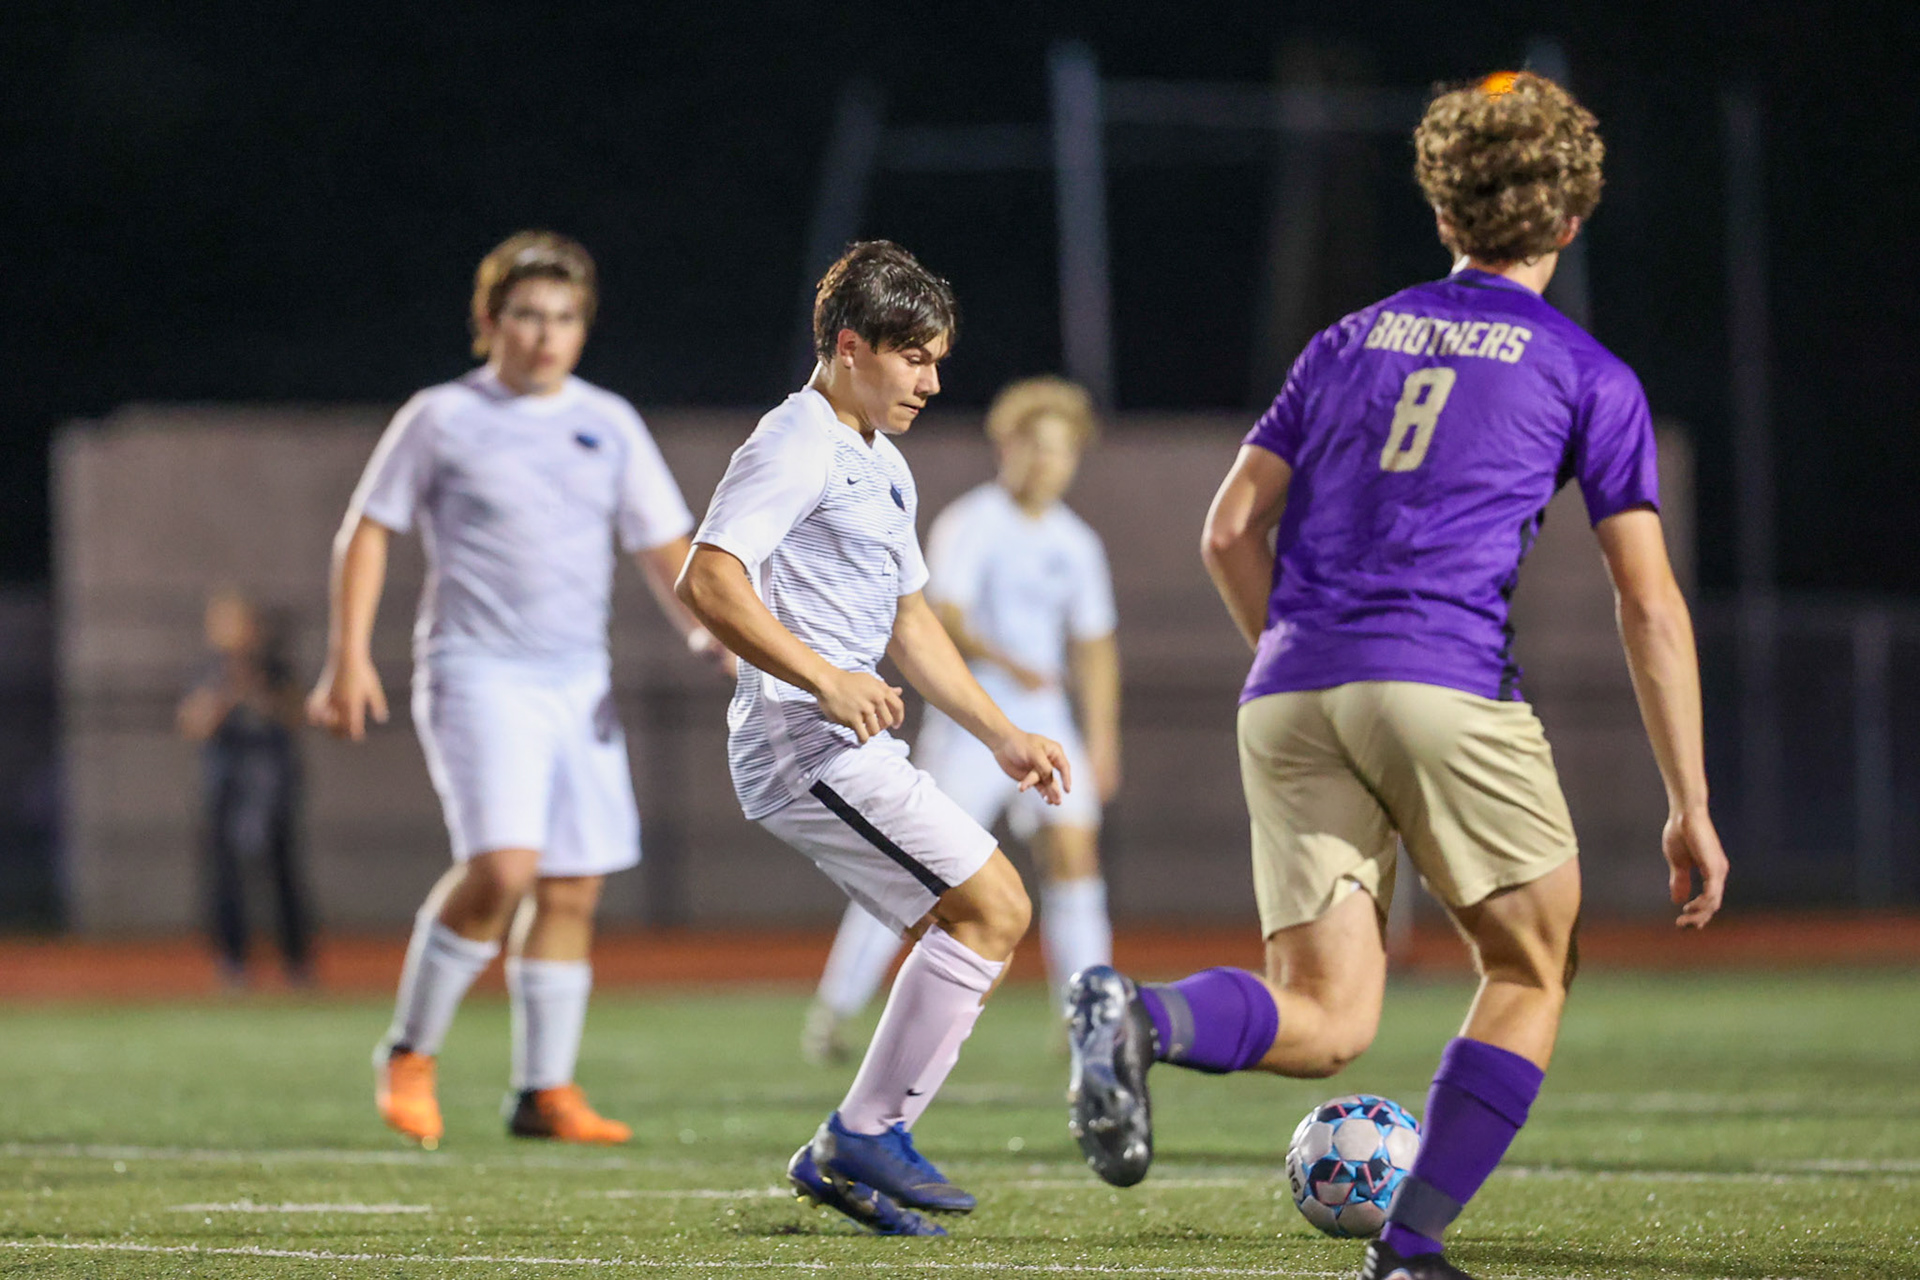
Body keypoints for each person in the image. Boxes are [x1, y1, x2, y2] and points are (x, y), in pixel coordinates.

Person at [1063, 72, 1729, 1280]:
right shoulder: (1589, 373)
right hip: (1443, 678)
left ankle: (1144, 1016)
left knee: (1327, 1021)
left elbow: (1226, 530)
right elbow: (1648, 598)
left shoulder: (1344, 340)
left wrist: (1301, 652)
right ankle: (1409, 1248)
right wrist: (1687, 797)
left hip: (1288, 682)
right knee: (1530, 962)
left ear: (1443, 213)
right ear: (1571, 221)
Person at [676, 241, 1071, 1237]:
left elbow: (911, 622)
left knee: (982, 912)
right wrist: (823, 673)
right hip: (798, 742)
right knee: (993, 905)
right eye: (915, 358)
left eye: (937, 359)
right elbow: (709, 578)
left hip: (844, 738)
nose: (933, 381)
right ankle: (863, 1133)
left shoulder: (883, 462)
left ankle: (850, 1150)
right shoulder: (794, 440)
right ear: (851, 345)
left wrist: (1001, 734)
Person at [308, 231, 727, 1150]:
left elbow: (665, 543)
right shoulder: (441, 416)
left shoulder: (608, 421)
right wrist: (347, 654)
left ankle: (544, 1091)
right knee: (504, 869)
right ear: (490, 321)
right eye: (529, 316)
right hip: (476, 671)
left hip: (579, 682)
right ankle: (409, 1053)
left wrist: (710, 627)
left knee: (571, 885)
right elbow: (368, 529)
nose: (547, 335)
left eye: (566, 318)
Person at [801, 375, 1120, 1064]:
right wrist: (1008, 659)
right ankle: (837, 1007)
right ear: (1006, 446)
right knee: (922, 869)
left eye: (1063, 451)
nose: (1049, 463)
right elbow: (939, 618)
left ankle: (1089, 1019)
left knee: (1073, 859)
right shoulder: (972, 523)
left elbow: (1095, 649)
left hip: (1046, 722)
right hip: (974, 726)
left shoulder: (1078, 542)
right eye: (1036, 447)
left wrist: (1101, 741)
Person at [177, 589, 312, 987]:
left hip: (272, 780)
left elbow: (294, 715)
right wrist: (228, 690)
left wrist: (258, 691)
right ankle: (233, 959)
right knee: (225, 873)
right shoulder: (210, 672)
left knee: (282, 869)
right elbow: (193, 724)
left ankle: (296, 960)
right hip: (225, 781)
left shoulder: (274, 668)